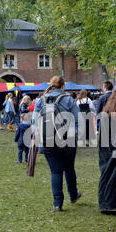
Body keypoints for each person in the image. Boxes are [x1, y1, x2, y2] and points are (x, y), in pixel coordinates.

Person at [33, 76, 82, 212]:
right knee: (69, 168)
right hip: (67, 139)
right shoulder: (68, 99)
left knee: (55, 172)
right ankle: (73, 195)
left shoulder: (40, 100)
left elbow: (34, 122)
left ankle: (57, 203)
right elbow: (78, 120)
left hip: (47, 139)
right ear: (63, 86)